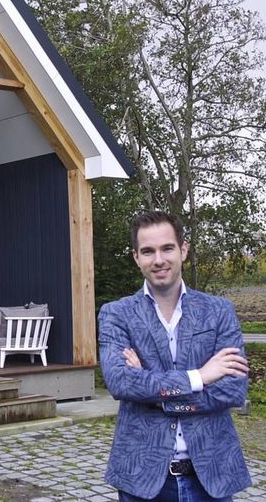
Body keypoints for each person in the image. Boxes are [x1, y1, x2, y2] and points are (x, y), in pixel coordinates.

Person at [99, 210, 251, 502]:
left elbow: (232, 389)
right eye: (148, 251)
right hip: (141, 477)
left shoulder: (218, 312)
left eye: (167, 248)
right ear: (136, 257)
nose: (158, 260)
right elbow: (120, 382)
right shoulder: (116, 314)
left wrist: (151, 390)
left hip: (211, 475)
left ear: (183, 250)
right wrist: (200, 376)